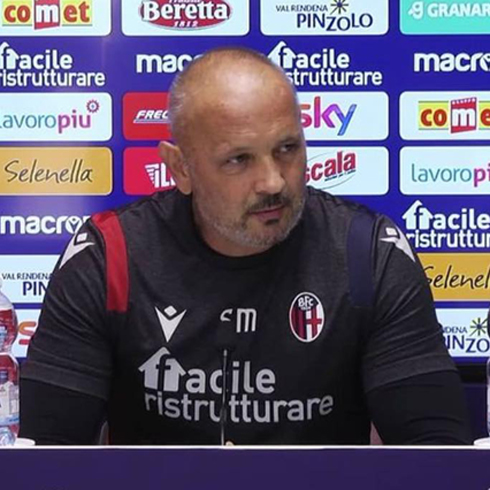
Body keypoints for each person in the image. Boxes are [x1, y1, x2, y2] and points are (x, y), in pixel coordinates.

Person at [20, 47, 471, 445]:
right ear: (180, 168)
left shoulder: (368, 254)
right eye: (239, 159)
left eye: (287, 148)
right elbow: (45, 460)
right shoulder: (109, 257)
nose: (273, 182)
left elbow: (438, 459)